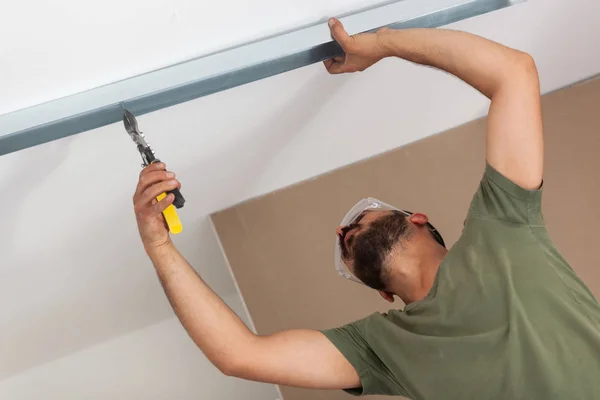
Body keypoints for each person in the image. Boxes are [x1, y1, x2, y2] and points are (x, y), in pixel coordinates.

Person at [132, 18, 600, 399]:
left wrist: (383, 43)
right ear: (380, 294)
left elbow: (514, 72)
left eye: (356, 220)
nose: (342, 233)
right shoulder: (382, 349)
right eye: (344, 246)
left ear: (418, 219)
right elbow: (240, 355)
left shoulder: (503, 223)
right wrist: (157, 243)